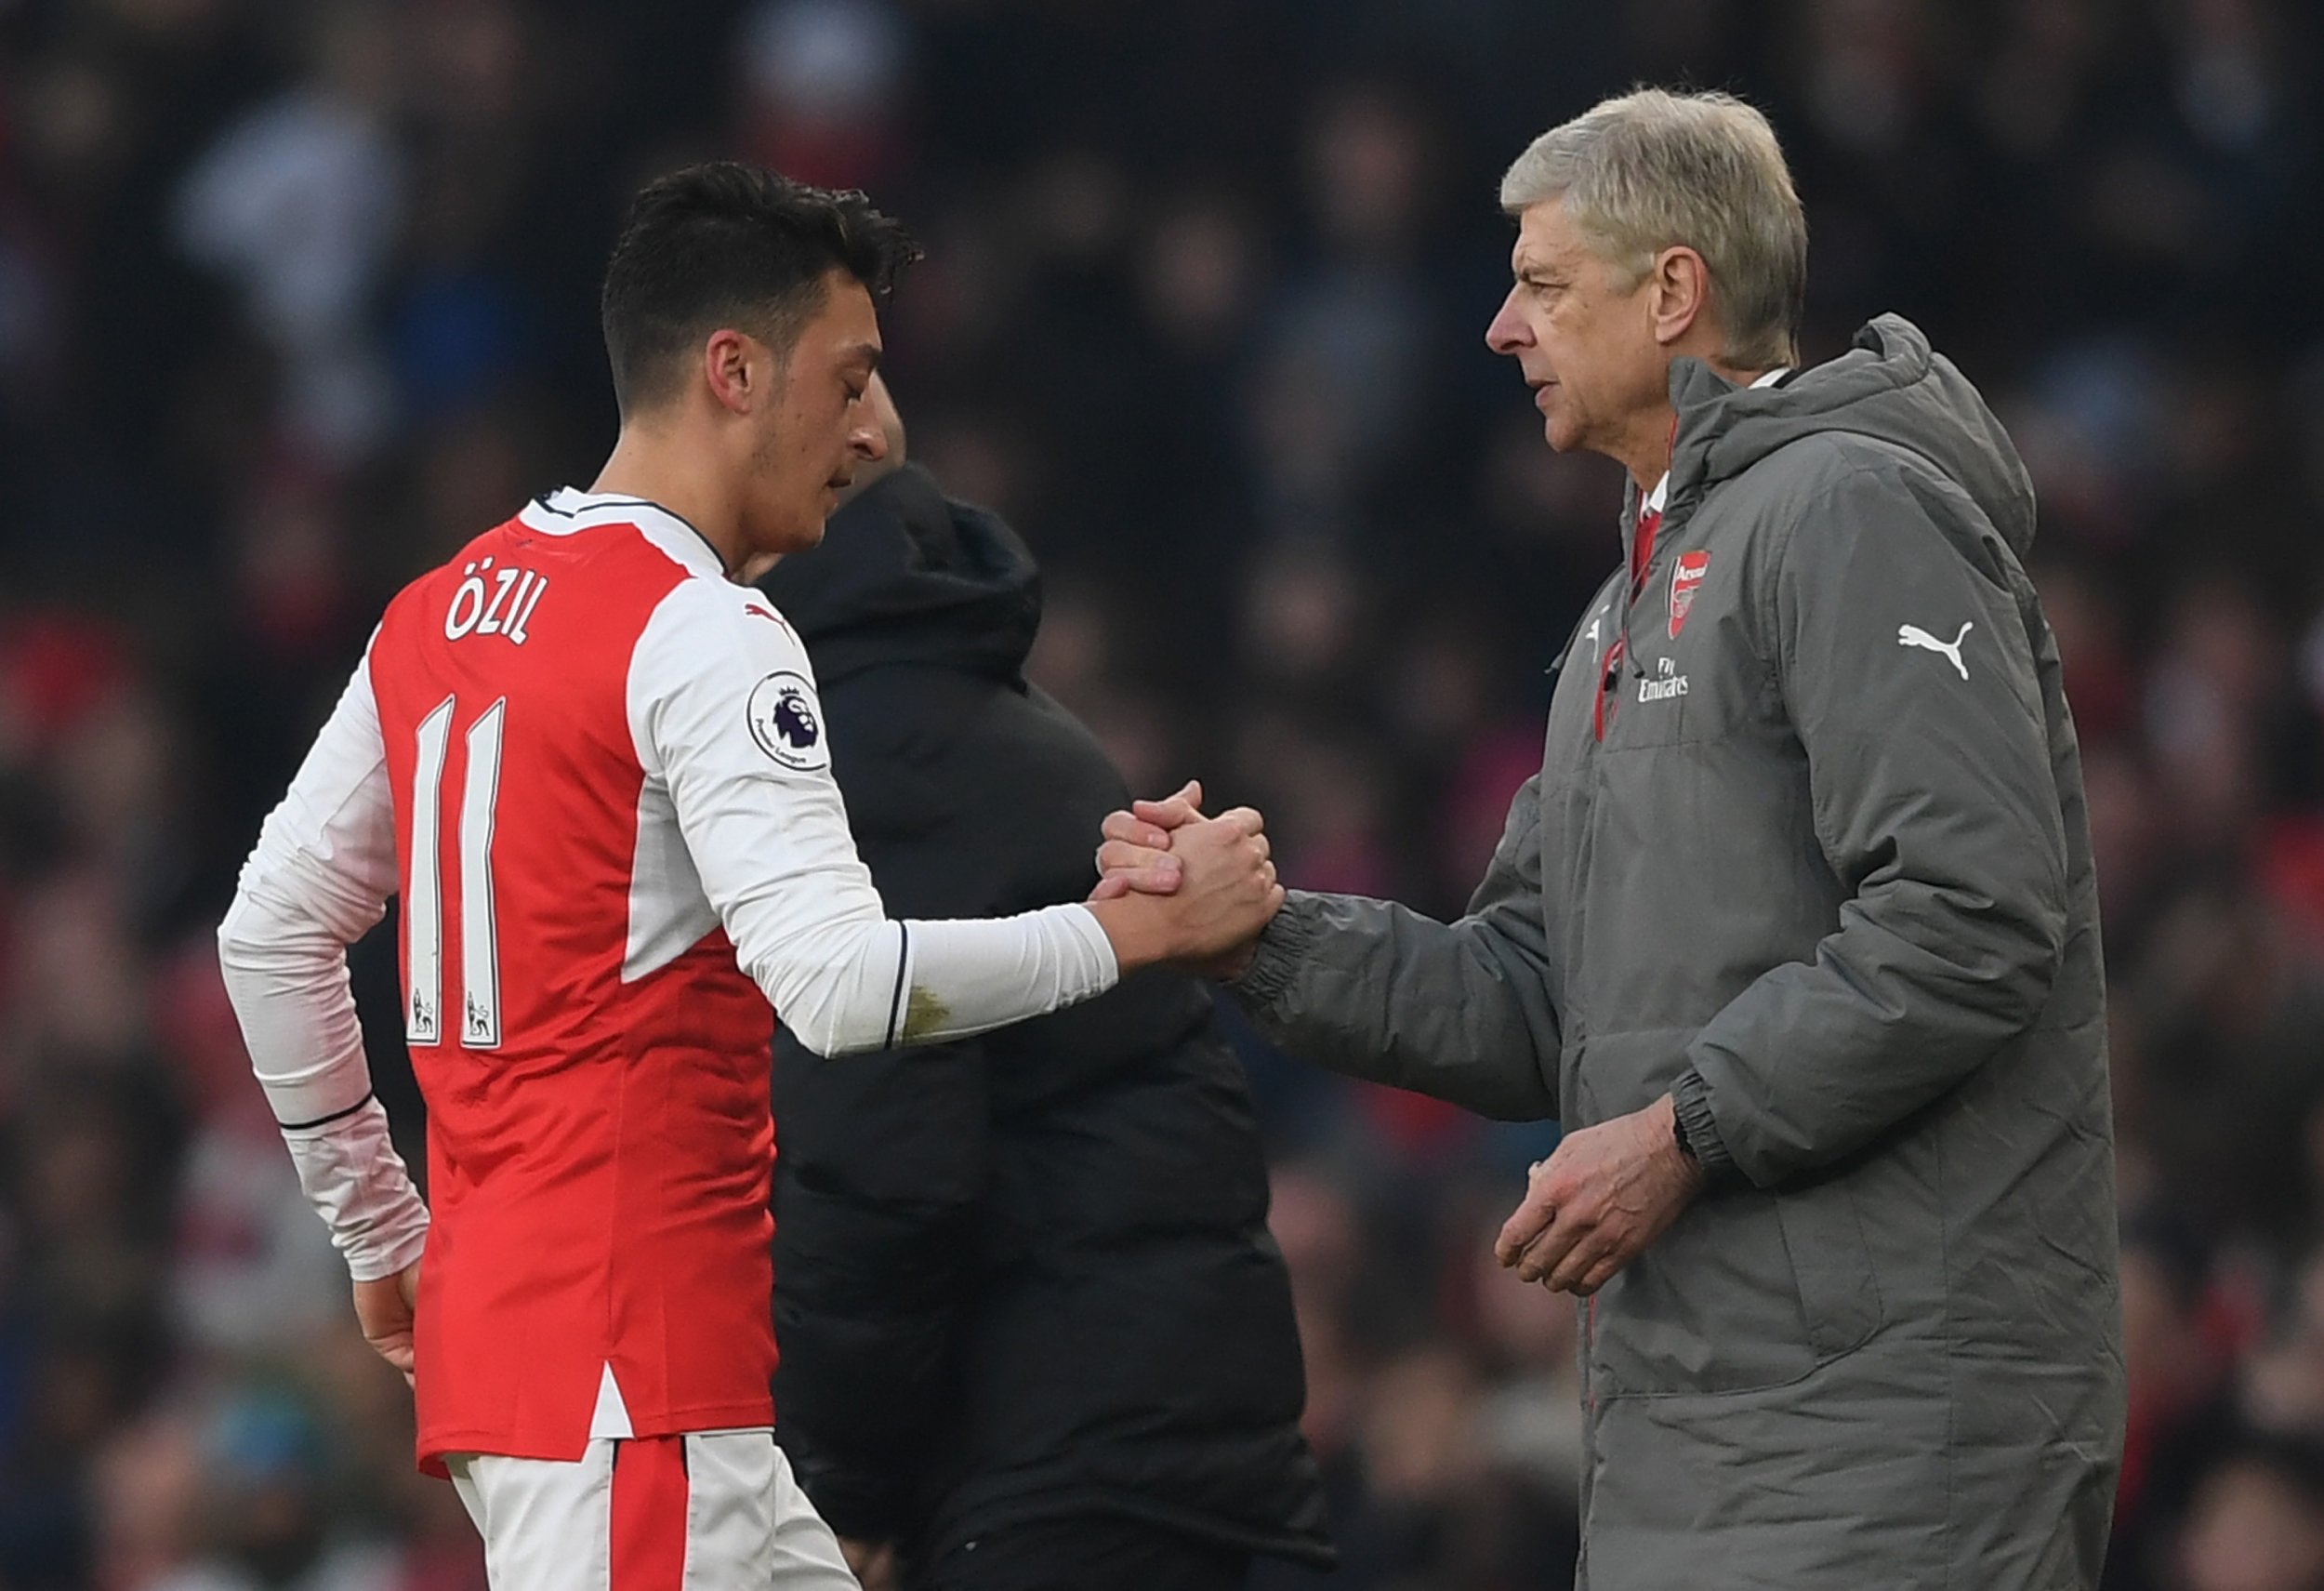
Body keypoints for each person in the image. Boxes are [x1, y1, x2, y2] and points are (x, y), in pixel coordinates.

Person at [1101, 88, 2122, 1589]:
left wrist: (1687, 1130)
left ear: (1674, 292)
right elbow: (1539, 997)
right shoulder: (1626, 606)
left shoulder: (1850, 511)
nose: (1504, 329)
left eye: (1542, 285)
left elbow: (1971, 913)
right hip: (1687, 1433)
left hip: (1896, 1434)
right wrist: (1263, 938)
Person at [215, 163, 1279, 1591]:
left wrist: (380, 1232)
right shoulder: (706, 631)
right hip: (628, 1387)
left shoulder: (439, 611)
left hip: (573, 1380)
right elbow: (837, 986)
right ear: (733, 370)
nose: (867, 436)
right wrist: (1124, 934)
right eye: (845, 383)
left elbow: (272, 935)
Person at [755, 378, 1335, 1591]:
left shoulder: (854, 754)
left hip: (1059, 1476)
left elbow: (883, 1165)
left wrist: (842, 1487)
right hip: (1156, 1443)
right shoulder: (966, 710)